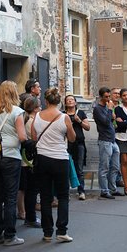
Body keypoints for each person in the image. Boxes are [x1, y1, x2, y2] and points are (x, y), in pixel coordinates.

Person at [0, 81, 27, 246]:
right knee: (10, 197)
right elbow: (23, 137)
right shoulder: (17, 112)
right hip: (11, 156)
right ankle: (10, 235)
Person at [32, 87, 76, 242]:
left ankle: (47, 232)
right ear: (59, 102)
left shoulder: (37, 116)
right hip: (59, 158)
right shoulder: (64, 117)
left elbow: (34, 136)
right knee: (63, 195)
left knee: (45, 196)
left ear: (46, 101)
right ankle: (62, 231)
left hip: (42, 158)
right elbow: (72, 138)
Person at [93, 87, 123, 199]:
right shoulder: (97, 109)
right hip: (104, 140)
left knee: (115, 166)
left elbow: (110, 122)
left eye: (109, 96)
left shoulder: (107, 107)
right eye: (106, 97)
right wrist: (110, 110)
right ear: (101, 97)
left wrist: (113, 116)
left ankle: (113, 188)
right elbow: (105, 122)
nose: (108, 98)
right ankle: (104, 190)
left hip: (112, 139)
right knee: (104, 166)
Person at [18, 96, 41, 227]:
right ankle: (30, 217)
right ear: (35, 108)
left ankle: (28, 215)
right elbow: (34, 139)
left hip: (24, 159)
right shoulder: (32, 121)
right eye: (39, 106)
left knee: (28, 189)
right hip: (30, 160)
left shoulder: (24, 118)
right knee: (32, 189)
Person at [64, 94, 90, 200]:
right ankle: (66, 192)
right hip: (66, 144)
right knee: (66, 168)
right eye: (68, 100)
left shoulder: (81, 113)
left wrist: (79, 121)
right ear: (65, 103)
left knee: (79, 168)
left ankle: (81, 191)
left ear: (75, 102)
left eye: (72, 100)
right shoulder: (62, 114)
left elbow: (88, 127)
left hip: (79, 143)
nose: (70, 101)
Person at [109, 87, 126, 188]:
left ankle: (118, 178)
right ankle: (112, 179)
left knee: (120, 157)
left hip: (120, 133)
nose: (117, 95)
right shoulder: (108, 105)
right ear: (111, 94)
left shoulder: (122, 106)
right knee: (111, 157)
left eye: (119, 94)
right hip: (110, 133)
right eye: (115, 93)